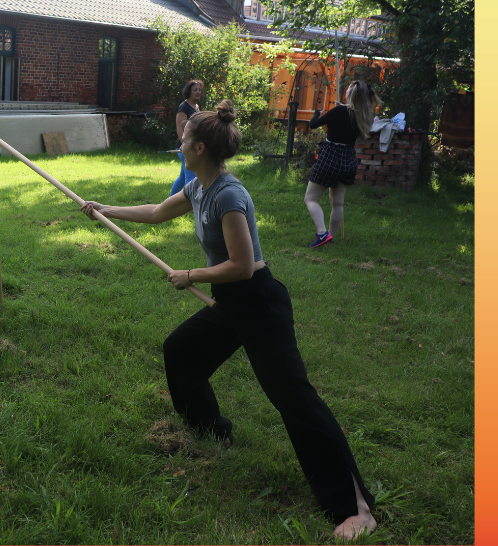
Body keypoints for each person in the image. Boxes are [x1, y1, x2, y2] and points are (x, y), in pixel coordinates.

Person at [81, 100, 377, 539]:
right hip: (230, 303)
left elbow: (243, 264)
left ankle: (357, 507)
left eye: (183, 139)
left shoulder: (229, 196)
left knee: (294, 400)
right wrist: (107, 210)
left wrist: (191, 275)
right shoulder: (199, 186)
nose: (178, 143)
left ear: (199, 146)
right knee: (181, 352)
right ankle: (212, 432)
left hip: (258, 303)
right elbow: (159, 211)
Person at [304, 80, 382, 248]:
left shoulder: (340, 111)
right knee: (337, 203)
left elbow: (313, 124)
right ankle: (330, 238)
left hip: (331, 157)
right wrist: (340, 108)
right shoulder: (362, 115)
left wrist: (317, 113)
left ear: (350, 94)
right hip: (348, 160)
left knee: (311, 198)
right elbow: (346, 117)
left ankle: (322, 233)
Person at [169, 79, 203, 196]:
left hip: (192, 144)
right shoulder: (184, 107)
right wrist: (185, 145)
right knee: (190, 176)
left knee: (183, 176)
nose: (198, 92)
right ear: (189, 91)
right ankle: (191, 203)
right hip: (184, 146)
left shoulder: (196, 106)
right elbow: (180, 128)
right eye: (195, 90)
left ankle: (170, 200)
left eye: (199, 90)